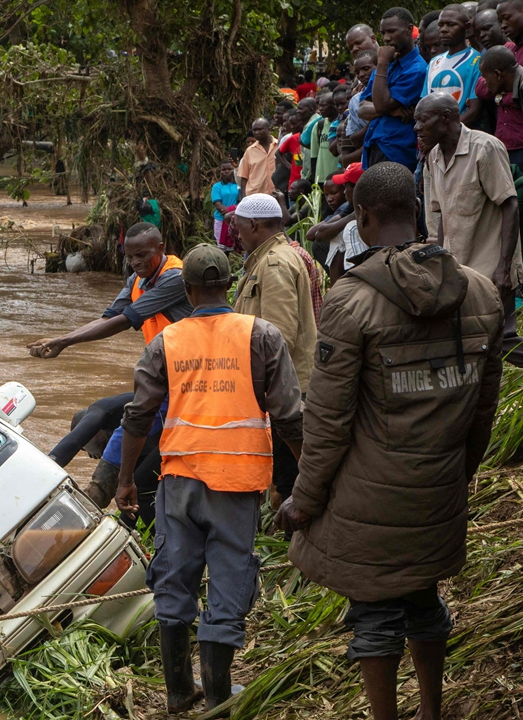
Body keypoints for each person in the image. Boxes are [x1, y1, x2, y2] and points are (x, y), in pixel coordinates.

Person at [276, 161, 503, 720]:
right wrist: (458, 472)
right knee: (423, 600)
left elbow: (326, 423)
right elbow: (483, 411)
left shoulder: (351, 302)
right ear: (419, 210)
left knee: (375, 616)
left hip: (368, 500)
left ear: (364, 217)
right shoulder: (482, 294)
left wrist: (303, 499)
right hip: (440, 490)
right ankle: (431, 711)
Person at [116, 243, 303, 714]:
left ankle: (179, 691)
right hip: (237, 485)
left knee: (174, 579)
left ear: (188, 288)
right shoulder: (262, 335)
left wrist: (124, 482)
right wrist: (307, 480)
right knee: (229, 579)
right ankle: (218, 694)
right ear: (231, 286)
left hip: (179, 481)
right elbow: (290, 418)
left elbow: (136, 417)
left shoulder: (168, 341)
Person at [32, 223, 191, 515]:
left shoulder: (175, 279)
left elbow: (124, 320)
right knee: (99, 410)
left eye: (142, 255)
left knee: (132, 421)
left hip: (187, 382)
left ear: (160, 249)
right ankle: (50, 469)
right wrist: (59, 339)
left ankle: (96, 496)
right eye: (130, 257)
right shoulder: (136, 280)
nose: (135, 263)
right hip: (160, 378)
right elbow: (108, 318)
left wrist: (65, 341)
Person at [416, 92, 523, 366]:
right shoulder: (434, 158)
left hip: (491, 269)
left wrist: (503, 267)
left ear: (446, 118)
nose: (416, 128)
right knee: (472, 341)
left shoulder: (485, 148)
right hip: (459, 270)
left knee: (504, 339)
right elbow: (441, 217)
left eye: (422, 120)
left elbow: (509, 206)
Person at [231, 193, 317, 505]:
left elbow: (279, 336)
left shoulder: (275, 263)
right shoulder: (267, 259)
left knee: (291, 481)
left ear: (254, 225)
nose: (237, 236)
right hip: (281, 388)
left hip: (288, 390)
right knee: (286, 477)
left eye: (239, 228)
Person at [357, 8, 428, 167]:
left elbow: (380, 104)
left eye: (391, 31)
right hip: (373, 146)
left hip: (396, 150)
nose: (386, 38)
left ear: (409, 29)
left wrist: (381, 64)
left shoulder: (416, 69)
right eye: (383, 33)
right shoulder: (388, 64)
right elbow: (361, 108)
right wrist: (391, 110)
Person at [424, 4, 482, 124]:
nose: (444, 29)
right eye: (441, 25)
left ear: (467, 27)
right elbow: (426, 102)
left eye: (451, 25)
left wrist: (447, 131)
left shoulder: (477, 60)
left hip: (462, 135)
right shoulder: (434, 62)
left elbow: (475, 110)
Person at [236, 117, 276, 197]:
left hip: (276, 195)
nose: (257, 132)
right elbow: (244, 177)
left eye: (260, 129)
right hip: (255, 196)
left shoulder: (279, 146)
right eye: (254, 130)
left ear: (269, 129)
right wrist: (244, 197)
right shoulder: (249, 151)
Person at [210, 161, 239, 247]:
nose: (227, 171)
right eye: (224, 169)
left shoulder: (238, 185)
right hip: (221, 220)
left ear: (233, 170)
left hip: (235, 219)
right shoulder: (217, 186)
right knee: (222, 248)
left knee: (235, 245)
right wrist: (229, 211)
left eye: (229, 169)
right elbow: (217, 204)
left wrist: (231, 213)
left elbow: (241, 200)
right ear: (220, 171)